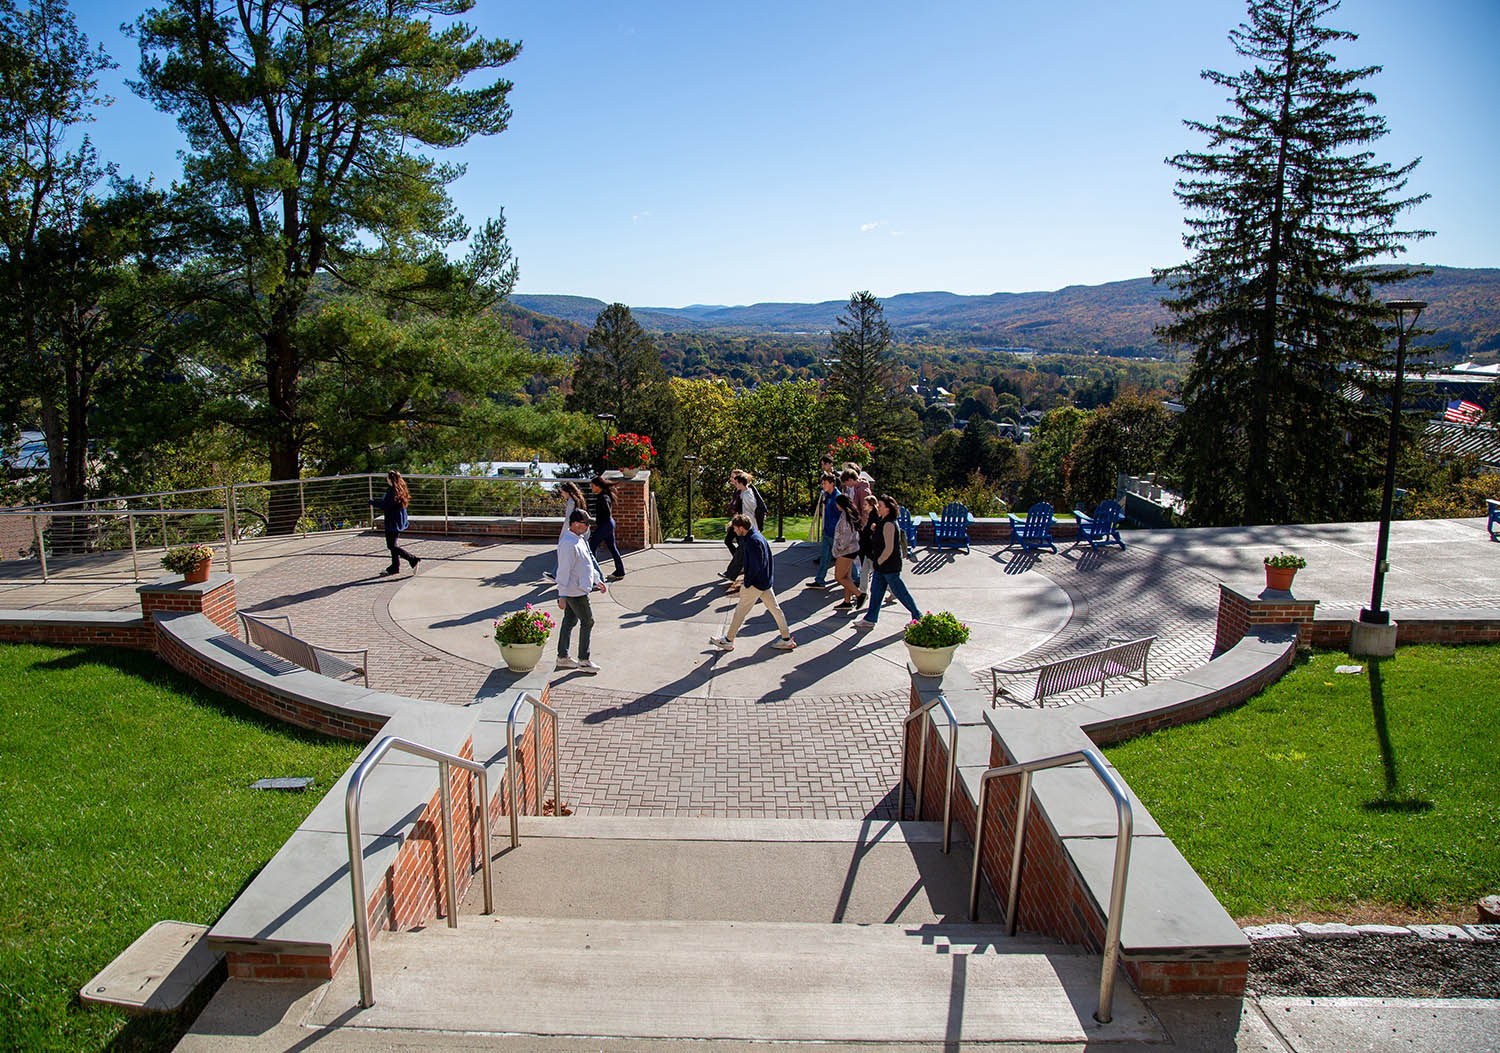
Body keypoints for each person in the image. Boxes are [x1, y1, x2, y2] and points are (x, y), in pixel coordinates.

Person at [710, 514, 797, 652]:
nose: (734, 531)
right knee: (775, 610)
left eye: (735, 529)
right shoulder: (757, 537)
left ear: (741, 528)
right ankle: (786, 639)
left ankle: (728, 641)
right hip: (765, 582)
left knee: (739, 613)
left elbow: (756, 565)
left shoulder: (752, 541)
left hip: (755, 584)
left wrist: (747, 582)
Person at [855, 495, 923, 631]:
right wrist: (875, 530)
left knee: (900, 592)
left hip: (889, 566)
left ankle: (918, 616)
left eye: (880, 506)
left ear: (888, 508)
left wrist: (878, 561)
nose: (878, 508)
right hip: (881, 566)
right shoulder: (882, 521)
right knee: (876, 592)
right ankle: (870, 619)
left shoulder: (889, 524)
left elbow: (889, 548)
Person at [555, 509, 606, 672]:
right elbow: (563, 571)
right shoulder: (568, 544)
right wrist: (561, 595)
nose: (588, 527)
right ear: (576, 524)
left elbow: (588, 563)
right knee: (588, 621)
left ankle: (562, 657)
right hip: (575, 592)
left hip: (578, 589)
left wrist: (597, 580)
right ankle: (584, 659)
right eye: (586, 523)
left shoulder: (579, 540)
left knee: (570, 621)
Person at [369, 469, 420, 576]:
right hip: (397, 520)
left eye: (387, 477)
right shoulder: (398, 489)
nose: (386, 479)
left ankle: (413, 559)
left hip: (393, 522)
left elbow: (386, 505)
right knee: (393, 544)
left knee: (391, 546)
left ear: (390, 479)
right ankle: (394, 567)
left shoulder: (392, 491)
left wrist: (372, 502)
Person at [721, 470, 761, 592]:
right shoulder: (743, 493)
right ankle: (733, 573)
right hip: (744, 526)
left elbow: (752, 511)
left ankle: (732, 574)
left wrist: (741, 523)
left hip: (748, 527)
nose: (735, 485)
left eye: (737, 482)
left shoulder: (747, 495)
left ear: (741, 484)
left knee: (742, 550)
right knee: (743, 551)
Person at [545, 481, 589, 582]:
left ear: (568, 492)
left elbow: (568, 521)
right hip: (581, 530)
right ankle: (554, 574)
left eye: (562, 492)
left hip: (575, 531)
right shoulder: (577, 500)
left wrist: (564, 534)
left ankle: (596, 579)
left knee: (586, 555)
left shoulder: (571, 502)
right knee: (567, 554)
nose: (561, 494)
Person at [589, 475, 626, 580]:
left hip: (605, 525)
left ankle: (594, 575)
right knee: (612, 548)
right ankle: (620, 571)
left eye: (592, 486)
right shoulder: (604, 495)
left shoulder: (603, 497)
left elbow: (605, 511)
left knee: (591, 547)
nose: (591, 488)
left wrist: (599, 520)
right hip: (608, 524)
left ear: (598, 486)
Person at [830, 493, 863, 609]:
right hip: (852, 549)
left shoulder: (845, 518)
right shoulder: (849, 514)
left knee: (839, 577)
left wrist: (838, 551)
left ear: (840, 504)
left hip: (846, 551)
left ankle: (860, 595)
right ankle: (847, 601)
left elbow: (845, 537)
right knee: (847, 577)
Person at [808, 472, 840, 588]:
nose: (823, 485)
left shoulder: (837, 497)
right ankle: (820, 580)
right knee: (824, 557)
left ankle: (856, 579)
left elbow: (840, 517)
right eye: (822, 483)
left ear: (832, 483)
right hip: (827, 532)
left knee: (841, 557)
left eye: (825, 483)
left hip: (835, 534)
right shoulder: (829, 496)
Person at [808, 454, 836, 544]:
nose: (823, 467)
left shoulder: (836, 477)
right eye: (822, 465)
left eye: (824, 464)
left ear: (830, 464)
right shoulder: (823, 476)